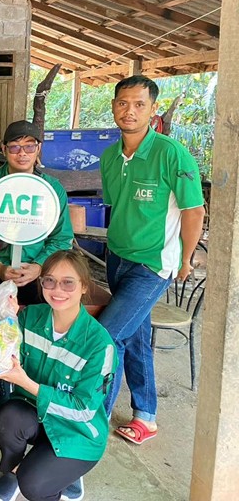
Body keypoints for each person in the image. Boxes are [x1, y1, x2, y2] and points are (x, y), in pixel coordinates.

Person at [98, 75, 205, 444]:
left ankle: (94, 418)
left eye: (139, 104)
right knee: (136, 337)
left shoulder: (171, 153)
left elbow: (194, 211)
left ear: (153, 109)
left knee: (107, 335)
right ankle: (146, 415)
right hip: (117, 259)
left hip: (153, 266)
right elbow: (116, 205)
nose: (129, 111)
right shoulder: (110, 157)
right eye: (123, 103)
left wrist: (186, 258)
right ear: (114, 106)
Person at [0, 250, 117, 501]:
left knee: (34, 486)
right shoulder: (29, 317)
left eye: (68, 282)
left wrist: (27, 383)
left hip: (77, 432)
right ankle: (14, 471)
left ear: (84, 286)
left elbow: (83, 410)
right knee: (8, 416)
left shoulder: (100, 345)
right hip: (38, 416)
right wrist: (5, 321)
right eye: (49, 281)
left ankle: (62, 472)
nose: (57, 290)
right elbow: (3, 355)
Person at [0, 120, 73, 305]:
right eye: (14, 147)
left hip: (37, 268)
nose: (22, 153)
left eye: (29, 146)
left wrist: (39, 266)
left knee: (50, 308)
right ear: (4, 149)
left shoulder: (52, 189)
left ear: (38, 149)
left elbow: (62, 238)